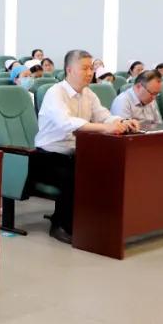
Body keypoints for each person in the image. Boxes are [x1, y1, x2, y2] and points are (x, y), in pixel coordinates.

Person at [34, 50, 140, 243]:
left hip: (77, 151)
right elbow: (66, 123)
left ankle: (96, 220)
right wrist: (106, 128)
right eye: (84, 68)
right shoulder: (55, 93)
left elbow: (103, 115)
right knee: (76, 174)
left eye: (91, 68)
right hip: (48, 154)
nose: (90, 72)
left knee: (107, 168)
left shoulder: (88, 93)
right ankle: (60, 225)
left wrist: (123, 121)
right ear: (69, 70)